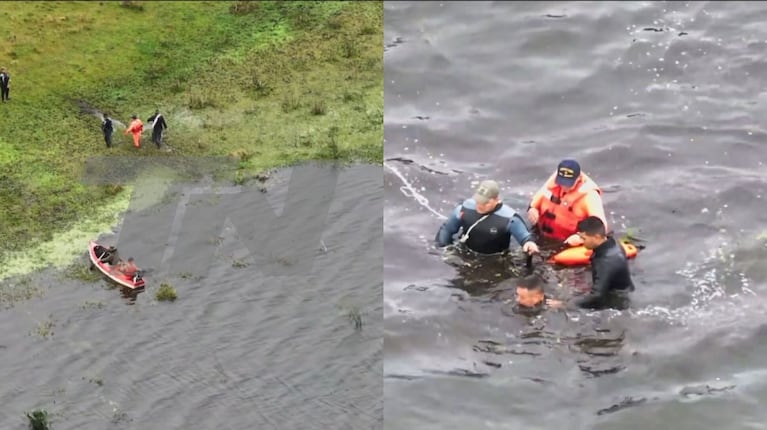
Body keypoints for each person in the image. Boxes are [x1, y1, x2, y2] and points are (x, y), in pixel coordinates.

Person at [546, 216, 635, 310]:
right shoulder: (613, 243)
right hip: (625, 290)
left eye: (584, 238)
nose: (582, 242)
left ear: (597, 236)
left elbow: (596, 296)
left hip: (616, 302)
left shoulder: (605, 261)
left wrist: (564, 305)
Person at [436, 179, 540, 256]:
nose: (480, 206)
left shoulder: (509, 218)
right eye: (478, 201)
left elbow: (525, 237)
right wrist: (445, 250)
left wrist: (529, 244)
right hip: (466, 253)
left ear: (496, 199)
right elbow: (446, 229)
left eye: (485, 203)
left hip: (495, 258)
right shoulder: (465, 208)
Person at [527, 159, 608, 247]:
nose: (564, 187)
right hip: (541, 234)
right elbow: (535, 201)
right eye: (561, 183)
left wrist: (580, 237)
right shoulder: (553, 182)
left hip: (567, 243)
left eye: (568, 184)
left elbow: (600, 228)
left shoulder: (590, 196)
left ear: (578, 179)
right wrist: (532, 209)